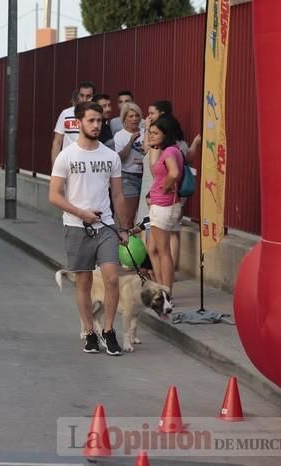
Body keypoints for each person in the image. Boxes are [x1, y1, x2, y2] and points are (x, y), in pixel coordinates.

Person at [49, 101, 131, 356]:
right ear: (79, 123)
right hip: (76, 226)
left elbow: (117, 195)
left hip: (106, 226)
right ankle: (88, 331)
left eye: (99, 121)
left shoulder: (110, 156)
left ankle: (108, 330)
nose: (96, 125)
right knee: (83, 283)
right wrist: (81, 213)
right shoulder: (66, 156)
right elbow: (54, 195)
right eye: (91, 120)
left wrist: (124, 228)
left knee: (112, 279)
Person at [141, 101, 201, 268]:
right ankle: (169, 272)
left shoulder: (162, 148)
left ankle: (163, 277)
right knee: (172, 234)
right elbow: (187, 158)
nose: (149, 117)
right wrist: (196, 142)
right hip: (175, 198)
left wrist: (164, 186)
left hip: (162, 198)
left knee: (159, 248)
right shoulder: (178, 145)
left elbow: (156, 171)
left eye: (152, 113)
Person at [146, 115, 184, 298]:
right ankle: (162, 289)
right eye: (150, 132)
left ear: (165, 134)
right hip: (164, 205)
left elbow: (174, 173)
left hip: (163, 205)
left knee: (164, 252)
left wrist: (165, 187)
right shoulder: (173, 150)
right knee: (154, 249)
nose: (151, 136)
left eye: (155, 133)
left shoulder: (169, 152)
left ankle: (166, 293)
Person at [113, 102, 145, 231]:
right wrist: (131, 142)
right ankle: (126, 247)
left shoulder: (146, 132)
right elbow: (120, 158)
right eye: (131, 116)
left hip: (146, 176)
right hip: (128, 177)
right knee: (128, 218)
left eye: (137, 116)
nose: (134, 119)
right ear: (124, 118)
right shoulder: (120, 136)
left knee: (144, 218)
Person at [50, 81, 96, 165]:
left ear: (93, 97)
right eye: (82, 95)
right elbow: (57, 142)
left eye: (88, 96)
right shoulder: (66, 114)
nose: (85, 99)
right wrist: (54, 168)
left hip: (89, 164)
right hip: (67, 163)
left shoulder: (97, 116)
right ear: (78, 96)